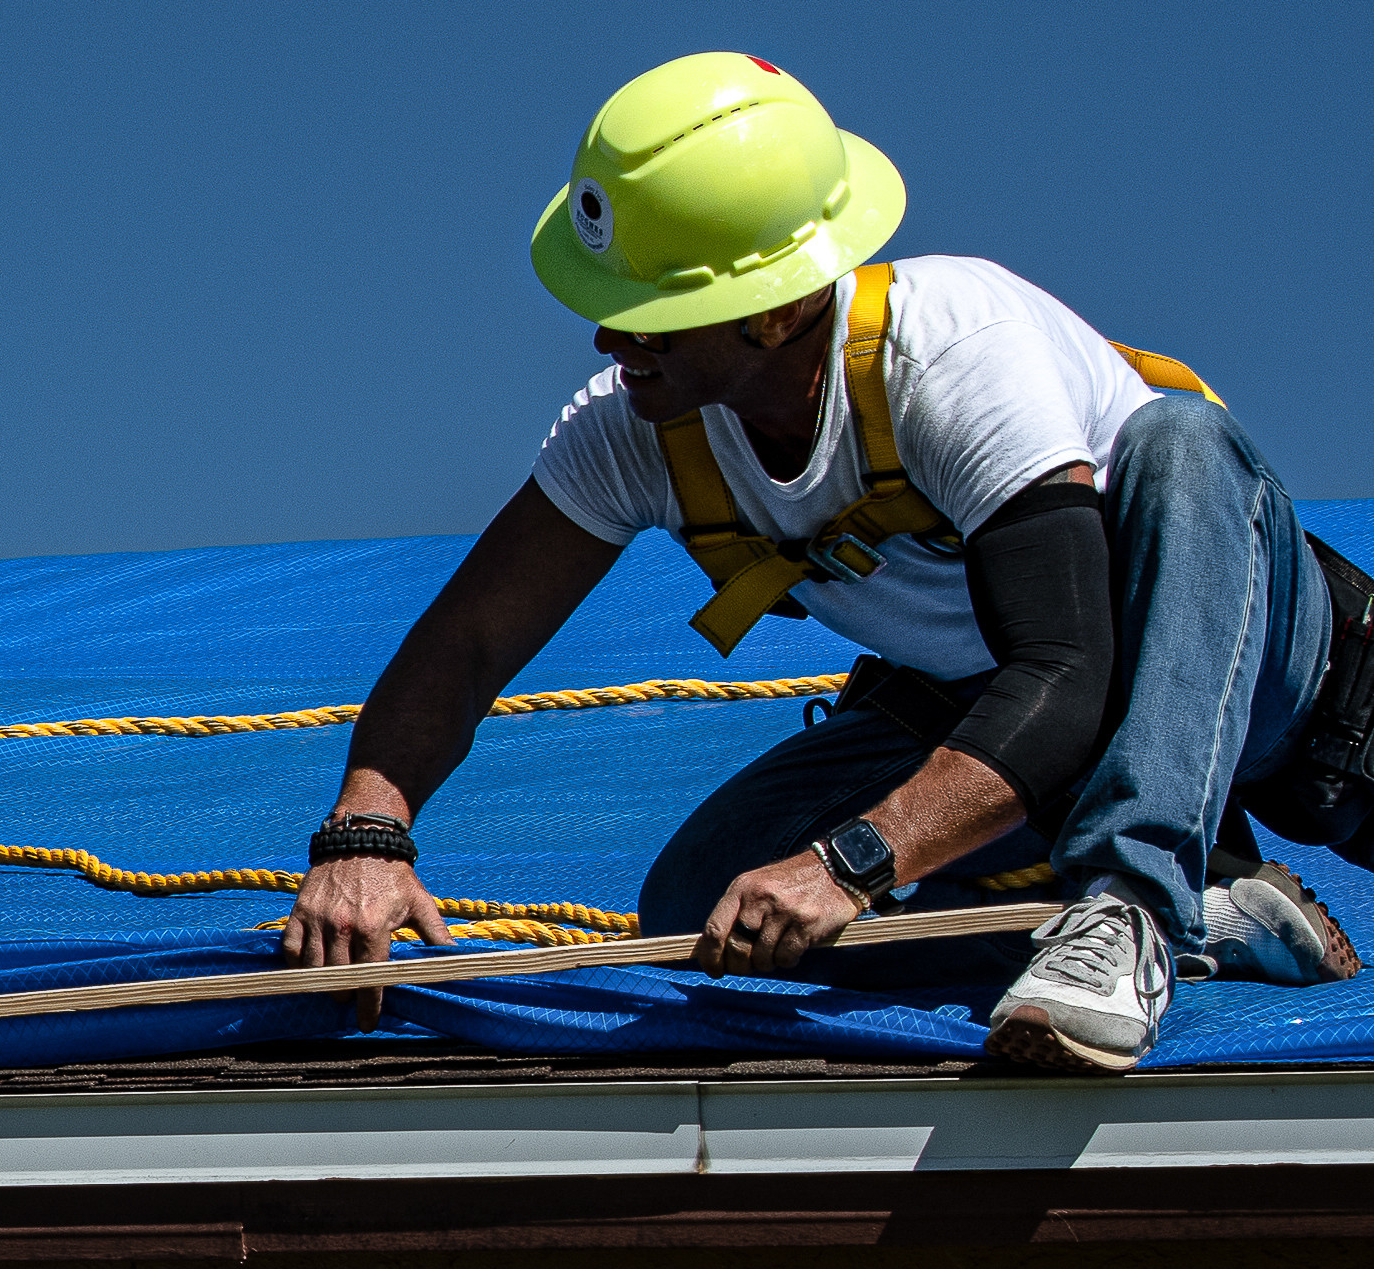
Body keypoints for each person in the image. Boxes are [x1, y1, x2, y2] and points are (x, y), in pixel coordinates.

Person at [282, 52, 1374, 1074]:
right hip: (999, 710)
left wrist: (854, 858)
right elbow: (471, 640)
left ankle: (1133, 900)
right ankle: (1202, 914)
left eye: (659, 316)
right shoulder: (633, 430)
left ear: (786, 306)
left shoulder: (951, 355)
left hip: (1255, 673)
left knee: (1181, 442)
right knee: (702, 912)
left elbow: (1069, 670)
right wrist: (367, 830)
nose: (614, 344)